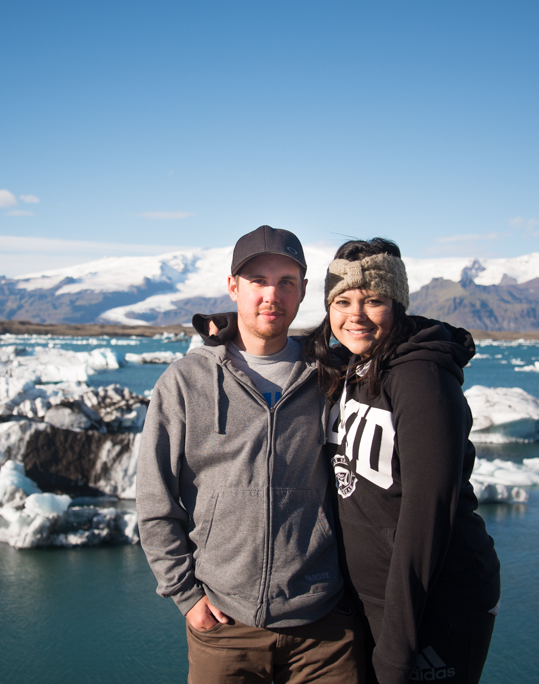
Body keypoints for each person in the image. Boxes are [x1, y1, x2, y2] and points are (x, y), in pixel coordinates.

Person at [200, 238, 501, 684]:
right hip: (370, 600)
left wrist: (399, 652)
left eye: (374, 300)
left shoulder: (422, 381)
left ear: (397, 304)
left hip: (436, 604)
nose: (355, 314)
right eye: (342, 300)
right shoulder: (355, 364)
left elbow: (426, 523)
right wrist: (231, 328)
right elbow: (299, 345)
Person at [136, 225, 364, 684]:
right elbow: (154, 500)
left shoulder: (331, 376)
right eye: (258, 280)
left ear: (302, 293)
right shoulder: (185, 383)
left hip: (323, 628)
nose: (270, 295)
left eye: (286, 282)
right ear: (233, 287)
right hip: (225, 627)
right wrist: (185, 596)